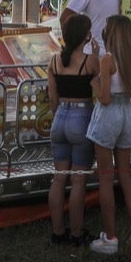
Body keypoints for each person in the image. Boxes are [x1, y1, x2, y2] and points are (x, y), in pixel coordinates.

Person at [88, 13, 131, 255]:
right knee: (125, 176)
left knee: (105, 177)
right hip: (128, 114)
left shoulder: (108, 59)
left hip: (109, 115)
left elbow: (104, 97)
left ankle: (110, 237)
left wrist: (94, 81)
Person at [46, 13, 98, 245]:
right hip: (81, 117)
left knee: (59, 179)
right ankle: (76, 233)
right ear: (85, 35)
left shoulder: (54, 61)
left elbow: (52, 98)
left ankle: (58, 231)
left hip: (59, 119)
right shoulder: (90, 62)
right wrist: (96, 54)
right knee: (78, 180)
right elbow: (100, 91)